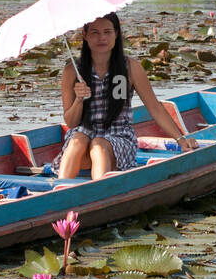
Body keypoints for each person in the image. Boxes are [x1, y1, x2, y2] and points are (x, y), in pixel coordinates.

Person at [55, 12, 198, 180]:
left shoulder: (130, 68)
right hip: (84, 139)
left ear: (116, 34)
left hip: (118, 137)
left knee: (99, 145)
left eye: (107, 32)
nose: (102, 38)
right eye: (95, 32)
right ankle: (60, 190)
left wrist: (181, 139)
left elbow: (155, 109)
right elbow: (71, 123)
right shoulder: (73, 71)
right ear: (85, 35)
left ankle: (100, 195)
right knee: (77, 139)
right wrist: (79, 99)